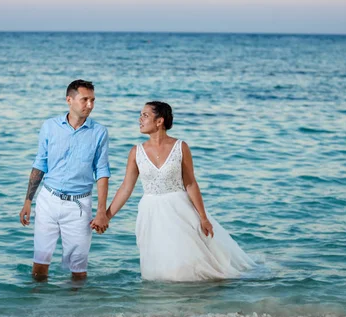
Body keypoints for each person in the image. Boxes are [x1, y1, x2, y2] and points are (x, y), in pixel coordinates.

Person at [105, 101, 256, 281]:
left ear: (159, 121)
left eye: (145, 115)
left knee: (186, 264)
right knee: (160, 267)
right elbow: (126, 188)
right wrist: (106, 216)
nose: (140, 119)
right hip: (150, 212)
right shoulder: (136, 152)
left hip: (180, 210)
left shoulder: (180, 147)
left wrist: (203, 217)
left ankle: (193, 302)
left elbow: (191, 183)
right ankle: (164, 305)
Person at [19, 79, 110, 281]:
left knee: (78, 270)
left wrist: (101, 211)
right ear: (69, 100)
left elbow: (102, 172)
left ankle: (76, 312)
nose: (90, 105)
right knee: (40, 264)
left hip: (79, 206)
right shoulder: (50, 126)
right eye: (85, 99)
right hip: (48, 200)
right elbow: (40, 164)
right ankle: (36, 309)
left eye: (93, 100)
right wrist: (28, 201)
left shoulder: (99, 132)